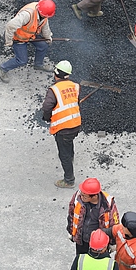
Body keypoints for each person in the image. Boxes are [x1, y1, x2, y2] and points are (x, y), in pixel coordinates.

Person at [42, 60, 81, 188]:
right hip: (75, 124)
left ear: (56, 73)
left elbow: (47, 107)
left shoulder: (54, 89)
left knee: (63, 153)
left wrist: (47, 118)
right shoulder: (75, 86)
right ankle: (71, 158)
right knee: (68, 144)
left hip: (63, 128)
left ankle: (69, 180)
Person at [0, 0, 55, 82]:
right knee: (22, 60)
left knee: (43, 45)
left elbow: (45, 25)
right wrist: (9, 41)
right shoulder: (27, 15)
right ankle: (2, 68)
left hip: (30, 35)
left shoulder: (43, 13)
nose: (47, 17)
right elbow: (10, 26)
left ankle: (38, 65)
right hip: (18, 38)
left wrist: (48, 37)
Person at [67, 177, 119, 256]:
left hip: (99, 242)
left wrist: (112, 243)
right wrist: (71, 231)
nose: (81, 196)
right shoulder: (79, 196)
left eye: (84, 196)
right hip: (82, 240)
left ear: (94, 196)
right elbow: (71, 214)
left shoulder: (108, 204)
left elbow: (114, 224)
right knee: (81, 259)